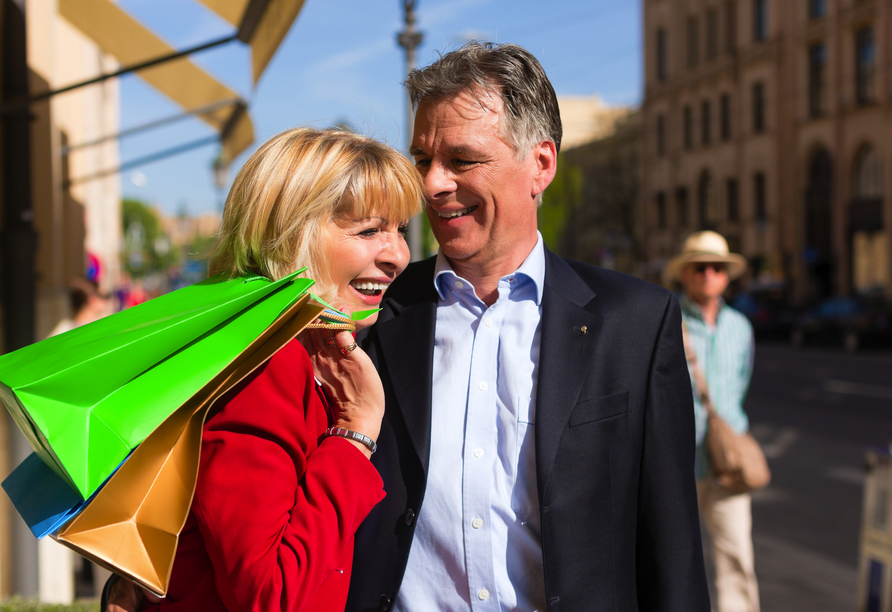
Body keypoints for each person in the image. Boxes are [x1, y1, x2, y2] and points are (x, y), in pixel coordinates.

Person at [347, 42, 710, 612]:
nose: (434, 184)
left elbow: (672, 547)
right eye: (422, 160)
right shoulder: (371, 317)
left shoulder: (634, 323)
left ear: (540, 164)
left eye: (462, 161)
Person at [105, 127, 424, 612]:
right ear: (291, 235)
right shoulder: (267, 368)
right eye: (368, 231)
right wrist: (356, 432)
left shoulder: (294, 353)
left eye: (399, 230)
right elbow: (271, 594)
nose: (398, 254)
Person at [664, 231, 760, 612]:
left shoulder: (741, 327)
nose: (708, 274)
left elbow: (741, 384)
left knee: (737, 556)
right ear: (685, 273)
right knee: (672, 561)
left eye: (716, 268)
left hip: (727, 462)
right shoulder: (667, 321)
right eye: (699, 267)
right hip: (676, 461)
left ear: (726, 276)